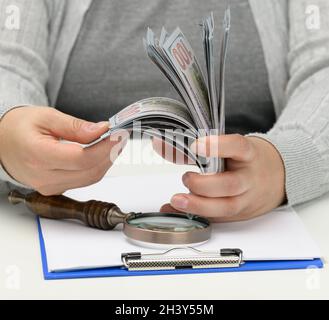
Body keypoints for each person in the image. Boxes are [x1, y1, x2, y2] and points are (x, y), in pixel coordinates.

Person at [0, 0, 328, 222]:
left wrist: (285, 162)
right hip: (66, 216)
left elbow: (323, 69)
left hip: (265, 222)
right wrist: (6, 132)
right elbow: (8, 66)